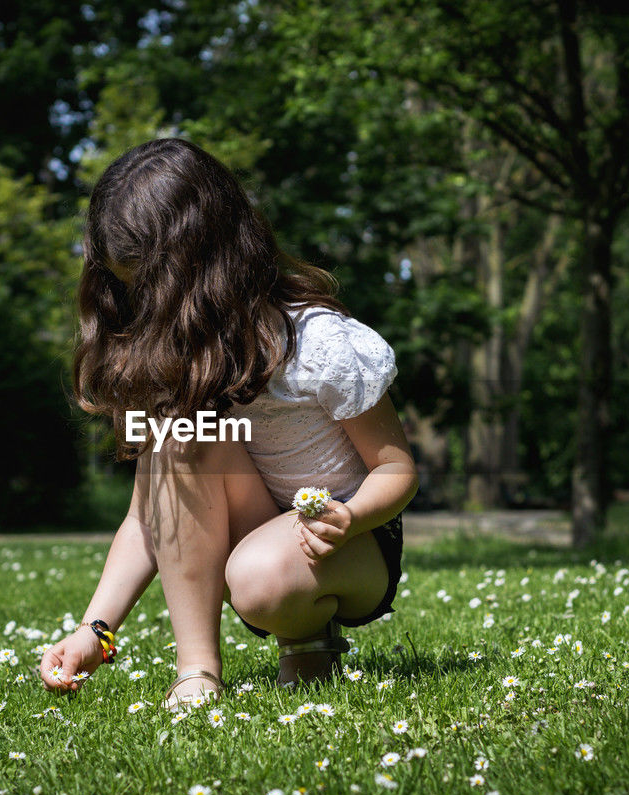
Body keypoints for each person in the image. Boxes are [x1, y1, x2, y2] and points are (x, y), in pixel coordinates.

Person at [38, 138, 418, 710]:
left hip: (351, 542)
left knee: (261, 572)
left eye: (151, 288)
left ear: (209, 262)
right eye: (127, 287)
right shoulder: (173, 363)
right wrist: (95, 630)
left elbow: (396, 470)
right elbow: (150, 515)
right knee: (183, 440)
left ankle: (309, 634)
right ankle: (196, 670)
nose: (142, 306)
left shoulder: (317, 343)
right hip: (255, 529)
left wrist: (352, 514)